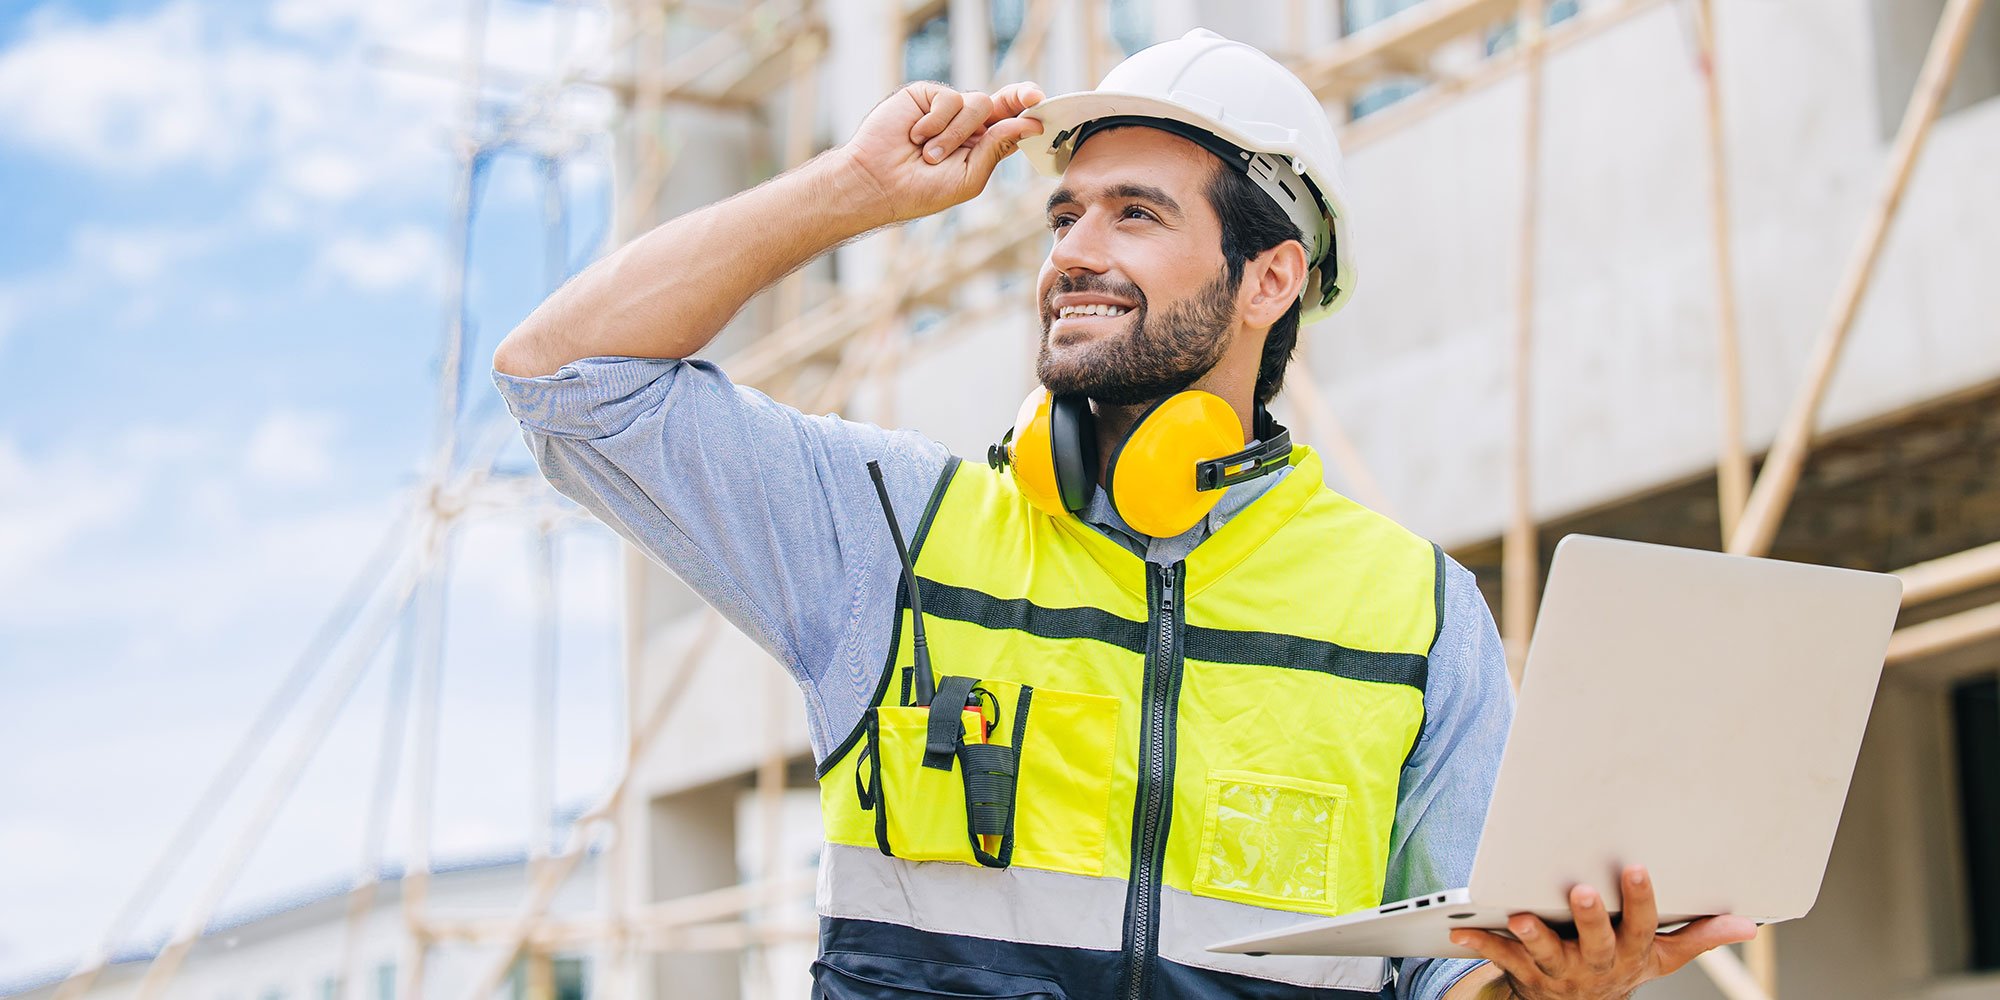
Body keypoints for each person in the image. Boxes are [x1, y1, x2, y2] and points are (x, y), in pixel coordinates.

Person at [493, 27, 1752, 1000]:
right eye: (1064, 214)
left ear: (1270, 277)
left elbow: (1450, 972)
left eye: (1133, 213)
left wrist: (1564, 982)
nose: (1071, 252)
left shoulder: (1415, 612)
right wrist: (847, 192)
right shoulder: (891, 532)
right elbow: (565, 380)